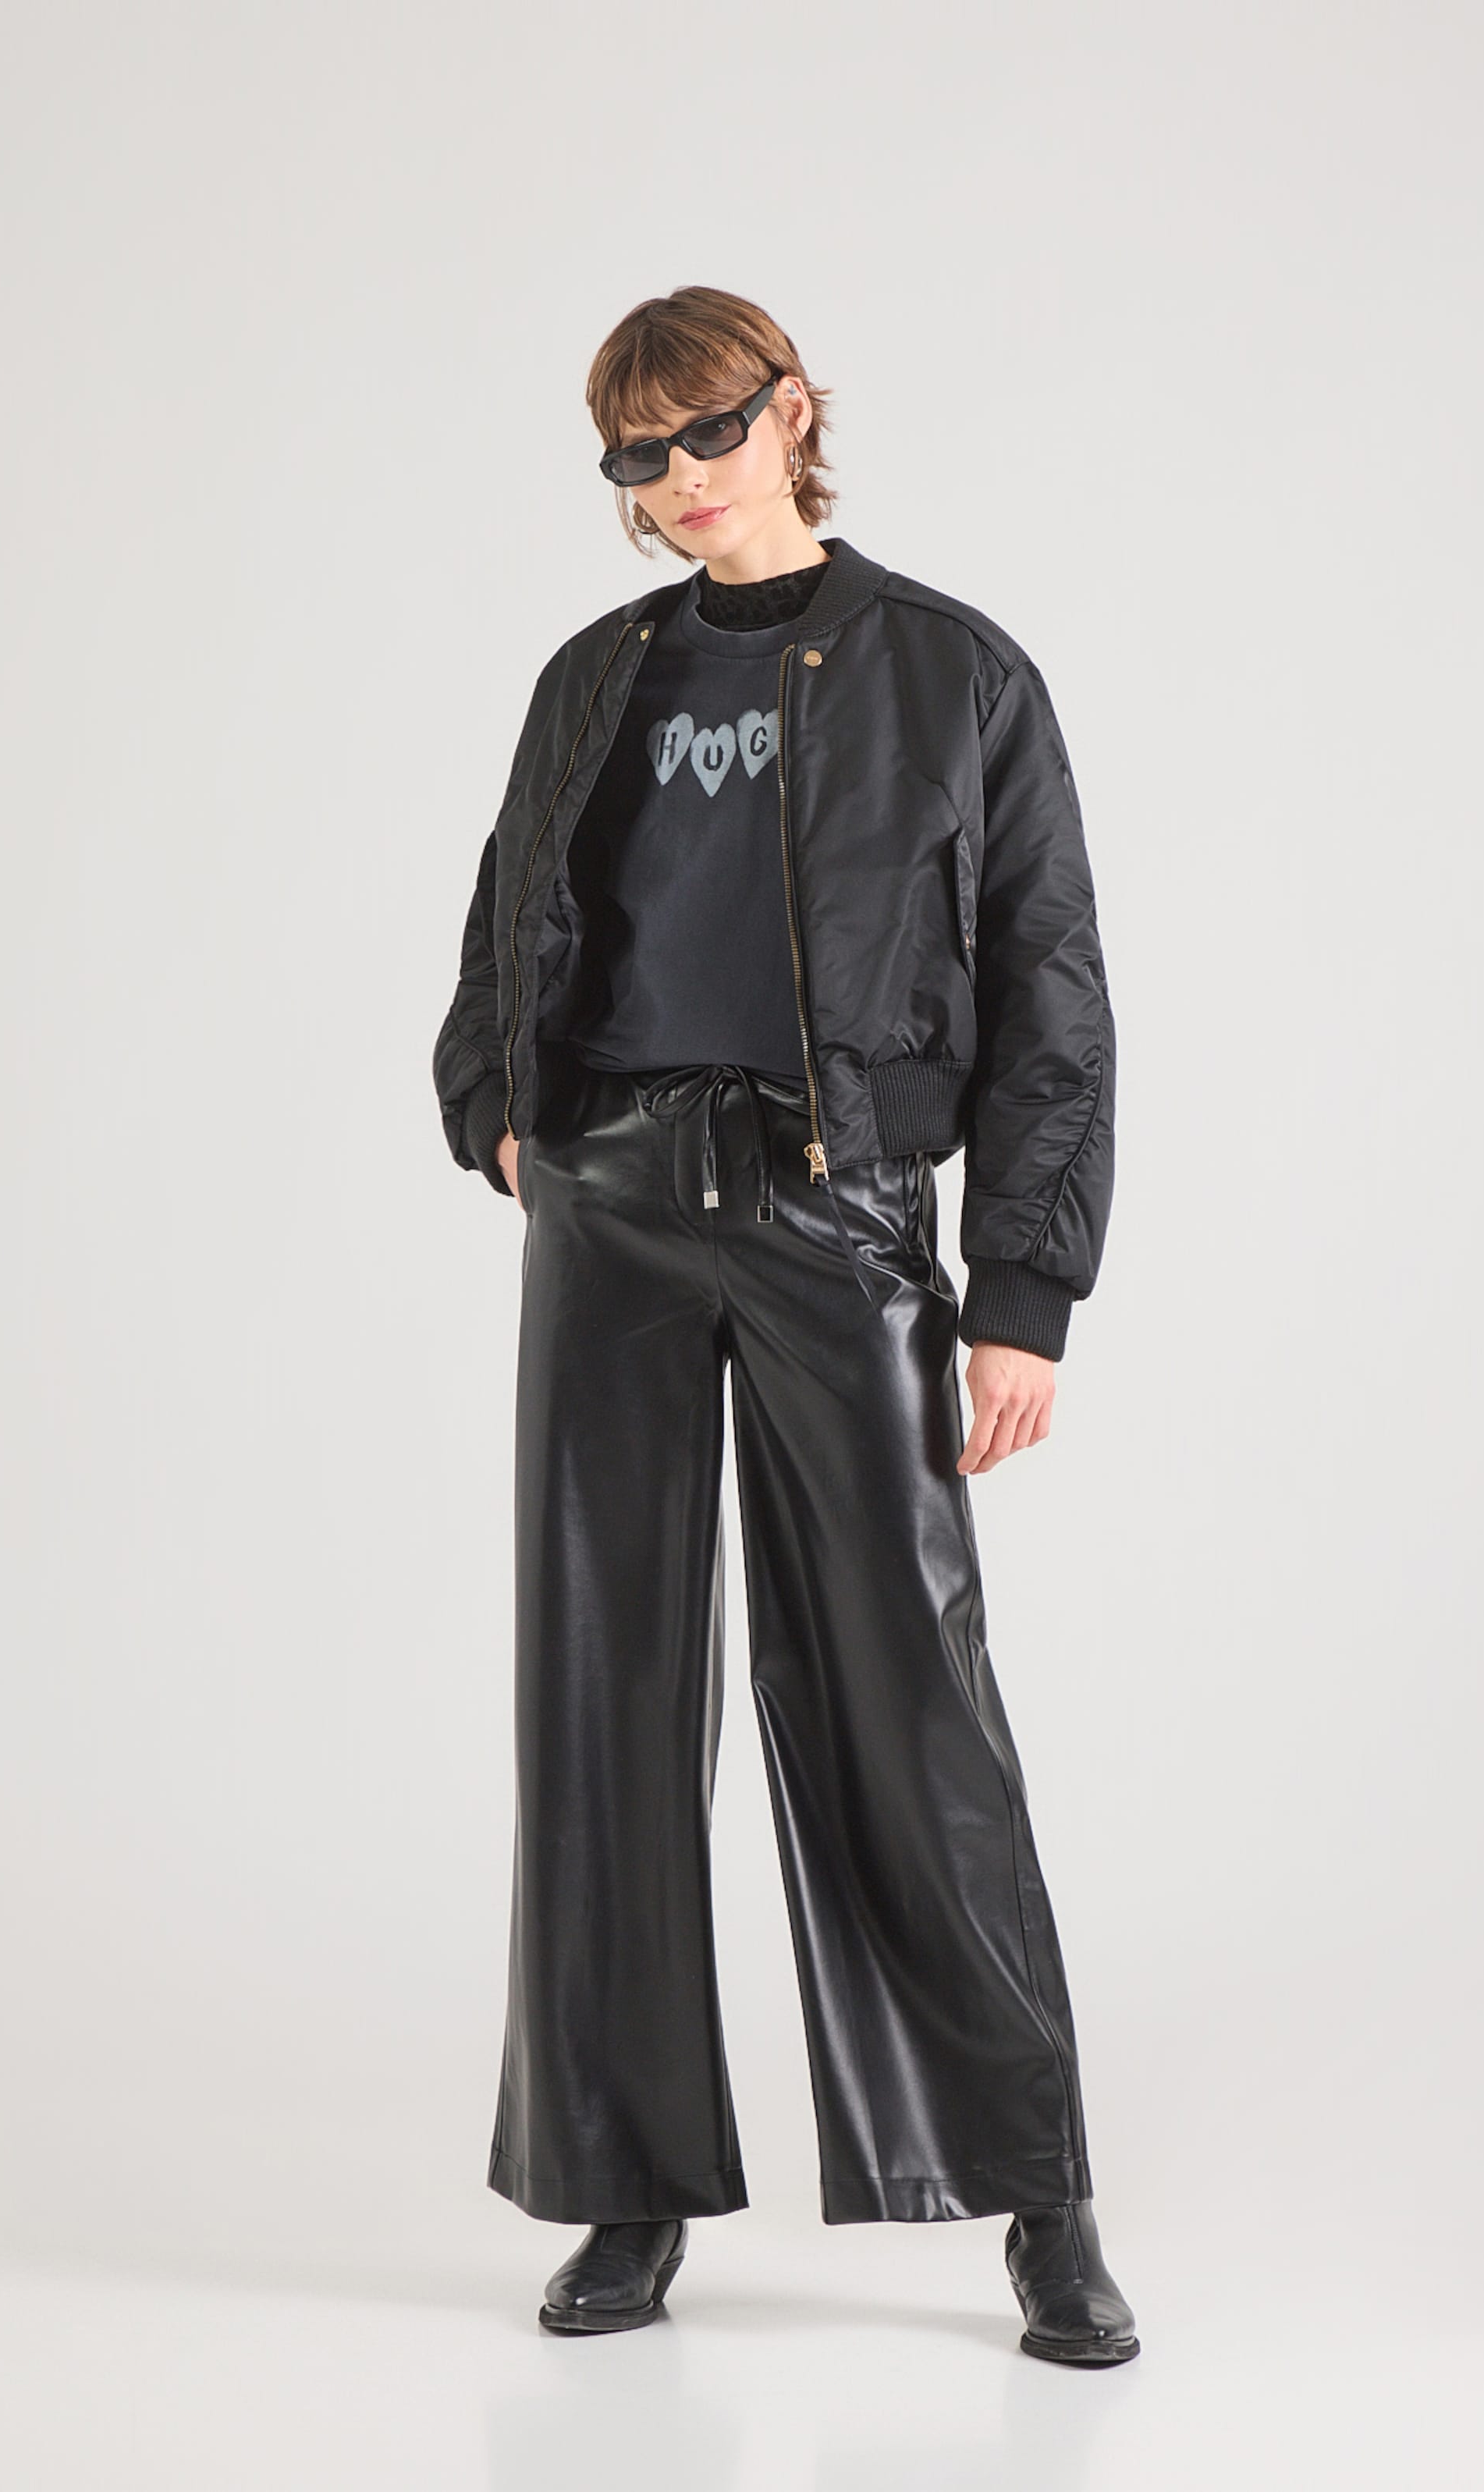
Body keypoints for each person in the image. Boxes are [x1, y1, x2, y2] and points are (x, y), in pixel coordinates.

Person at [431, 285, 1138, 2366]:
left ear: (792, 406)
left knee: (912, 1698)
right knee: (603, 1693)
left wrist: (1024, 1294)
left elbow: (1052, 989)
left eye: (709, 433)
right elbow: (506, 916)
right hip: (616, 1214)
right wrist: (502, 1114)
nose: (678, 482)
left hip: (841, 1212)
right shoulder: (596, 677)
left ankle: (1044, 2201)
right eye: (636, 457)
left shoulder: (953, 670)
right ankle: (626, 2189)